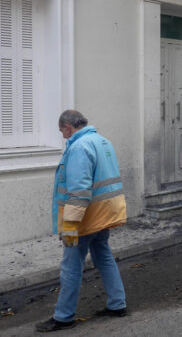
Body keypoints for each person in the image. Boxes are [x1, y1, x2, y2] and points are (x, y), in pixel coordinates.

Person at [36, 110, 128, 332]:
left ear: (68, 127)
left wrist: (70, 225)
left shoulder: (78, 147)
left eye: (62, 132)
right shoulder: (102, 140)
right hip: (104, 213)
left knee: (71, 266)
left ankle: (64, 317)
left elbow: (78, 191)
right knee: (104, 256)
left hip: (86, 218)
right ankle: (118, 304)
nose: (63, 137)